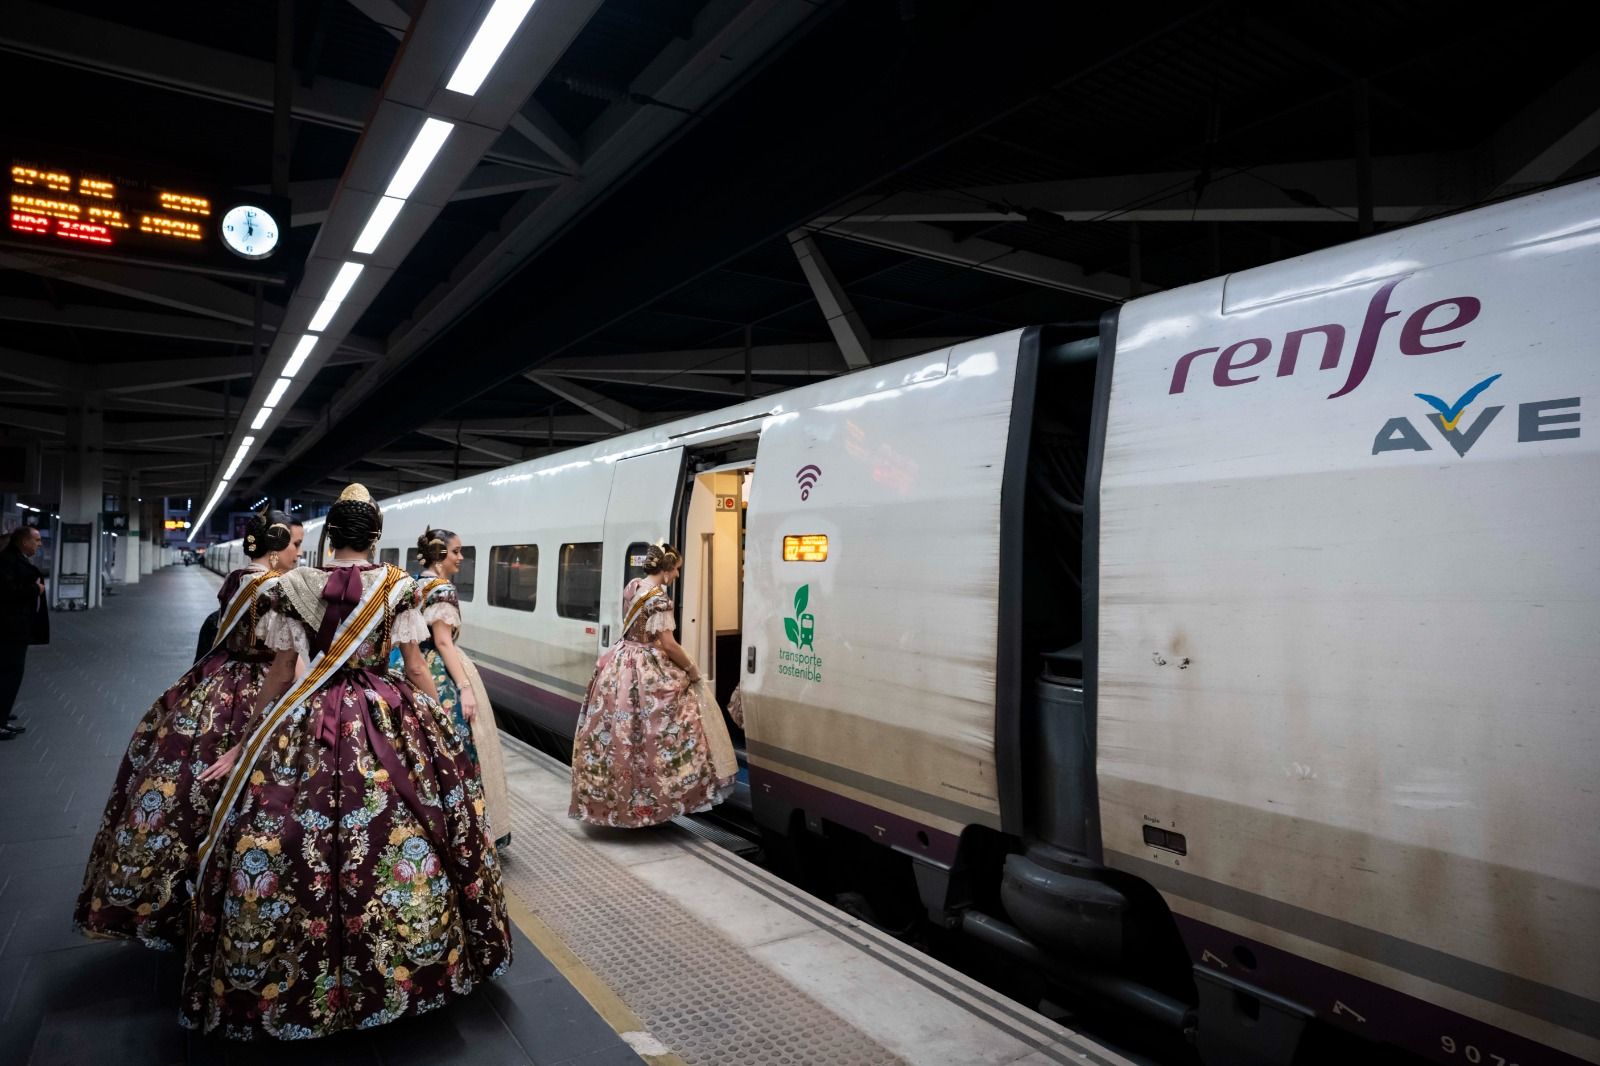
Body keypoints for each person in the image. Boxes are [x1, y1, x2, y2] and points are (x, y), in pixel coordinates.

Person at [181, 484, 510, 1040]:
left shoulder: (293, 584)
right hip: (384, 716)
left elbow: (283, 671)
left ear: (328, 537)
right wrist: (433, 721)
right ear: (376, 537)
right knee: (411, 822)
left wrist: (248, 737)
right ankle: (410, 963)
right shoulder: (397, 586)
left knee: (280, 823)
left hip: (306, 718)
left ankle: (288, 972)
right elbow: (414, 666)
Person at [74, 510, 295, 947]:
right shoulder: (275, 588)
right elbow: (282, 660)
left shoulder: (236, 578)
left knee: (181, 789)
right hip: (258, 689)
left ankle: (161, 898)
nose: (299, 553)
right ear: (274, 547)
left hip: (215, 686)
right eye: (293, 544)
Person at [569, 541, 738, 828]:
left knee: (621, 735)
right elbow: (669, 645)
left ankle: (616, 802)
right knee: (667, 726)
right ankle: (659, 798)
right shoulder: (659, 599)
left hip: (620, 661)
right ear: (668, 570)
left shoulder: (633, 587)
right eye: (677, 571)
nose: (678, 576)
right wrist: (692, 669)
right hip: (645, 667)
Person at [389, 527, 512, 849]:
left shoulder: (414, 583)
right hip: (439, 675)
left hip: (406, 668)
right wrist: (465, 687)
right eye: (456, 551)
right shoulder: (442, 589)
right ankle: (466, 830)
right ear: (441, 555)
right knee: (458, 748)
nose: (460, 558)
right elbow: (443, 642)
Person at [194, 519, 304, 663]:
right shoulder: (279, 591)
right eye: (296, 544)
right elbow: (286, 667)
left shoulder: (234, 581)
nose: (300, 553)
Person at [0, 524, 47, 741]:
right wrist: (34, 589)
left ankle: (3, 714)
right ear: (24, 541)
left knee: (9, 672)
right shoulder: (9, 561)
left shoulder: (13, 559)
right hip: (10, 629)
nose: (39, 544)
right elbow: (7, 593)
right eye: (36, 540)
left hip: (15, 627)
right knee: (10, 672)